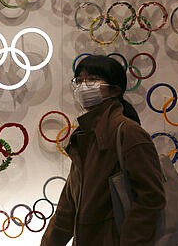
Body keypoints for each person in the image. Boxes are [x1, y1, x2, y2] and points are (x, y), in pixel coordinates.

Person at [41, 55, 165, 246]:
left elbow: (151, 197)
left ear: (115, 89)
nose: (83, 86)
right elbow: (68, 205)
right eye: (79, 80)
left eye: (91, 79)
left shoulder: (128, 133)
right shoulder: (84, 135)